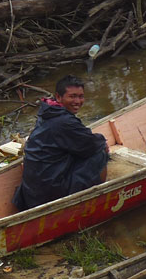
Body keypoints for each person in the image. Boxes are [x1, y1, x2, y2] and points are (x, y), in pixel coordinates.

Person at [12, 75, 108, 211]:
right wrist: (102, 141)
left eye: (81, 96)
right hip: (49, 194)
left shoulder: (47, 112)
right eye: (72, 96)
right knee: (100, 152)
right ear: (58, 97)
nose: (78, 101)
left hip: (32, 194)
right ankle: (100, 197)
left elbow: (81, 139)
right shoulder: (64, 122)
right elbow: (92, 145)